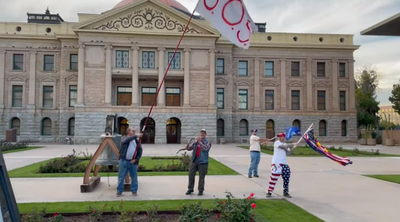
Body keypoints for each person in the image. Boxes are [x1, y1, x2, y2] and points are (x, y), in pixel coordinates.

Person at [266, 132, 295, 198]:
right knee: (273, 178)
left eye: (281, 136)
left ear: (283, 137)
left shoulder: (285, 144)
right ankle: (269, 192)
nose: (279, 137)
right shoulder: (277, 142)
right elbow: (282, 146)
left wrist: (292, 148)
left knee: (287, 177)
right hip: (276, 163)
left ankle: (286, 192)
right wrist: (292, 144)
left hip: (284, 163)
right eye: (279, 136)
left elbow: (289, 153)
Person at [116, 127, 143, 197]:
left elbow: (140, 151)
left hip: (133, 162)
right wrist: (136, 135)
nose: (134, 132)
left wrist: (136, 159)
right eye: (132, 131)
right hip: (124, 161)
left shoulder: (137, 141)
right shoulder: (124, 138)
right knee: (121, 177)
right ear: (128, 132)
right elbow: (126, 141)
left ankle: (134, 191)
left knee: (134, 177)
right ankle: (119, 191)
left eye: (134, 131)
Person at [185, 129, 212, 196]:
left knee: (201, 177)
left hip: (203, 161)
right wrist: (189, 143)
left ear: (205, 135)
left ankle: (200, 190)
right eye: (201, 133)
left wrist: (200, 142)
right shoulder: (196, 142)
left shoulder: (207, 142)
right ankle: (190, 189)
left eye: (203, 134)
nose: (201, 135)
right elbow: (189, 148)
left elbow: (205, 149)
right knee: (191, 174)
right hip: (195, 160)